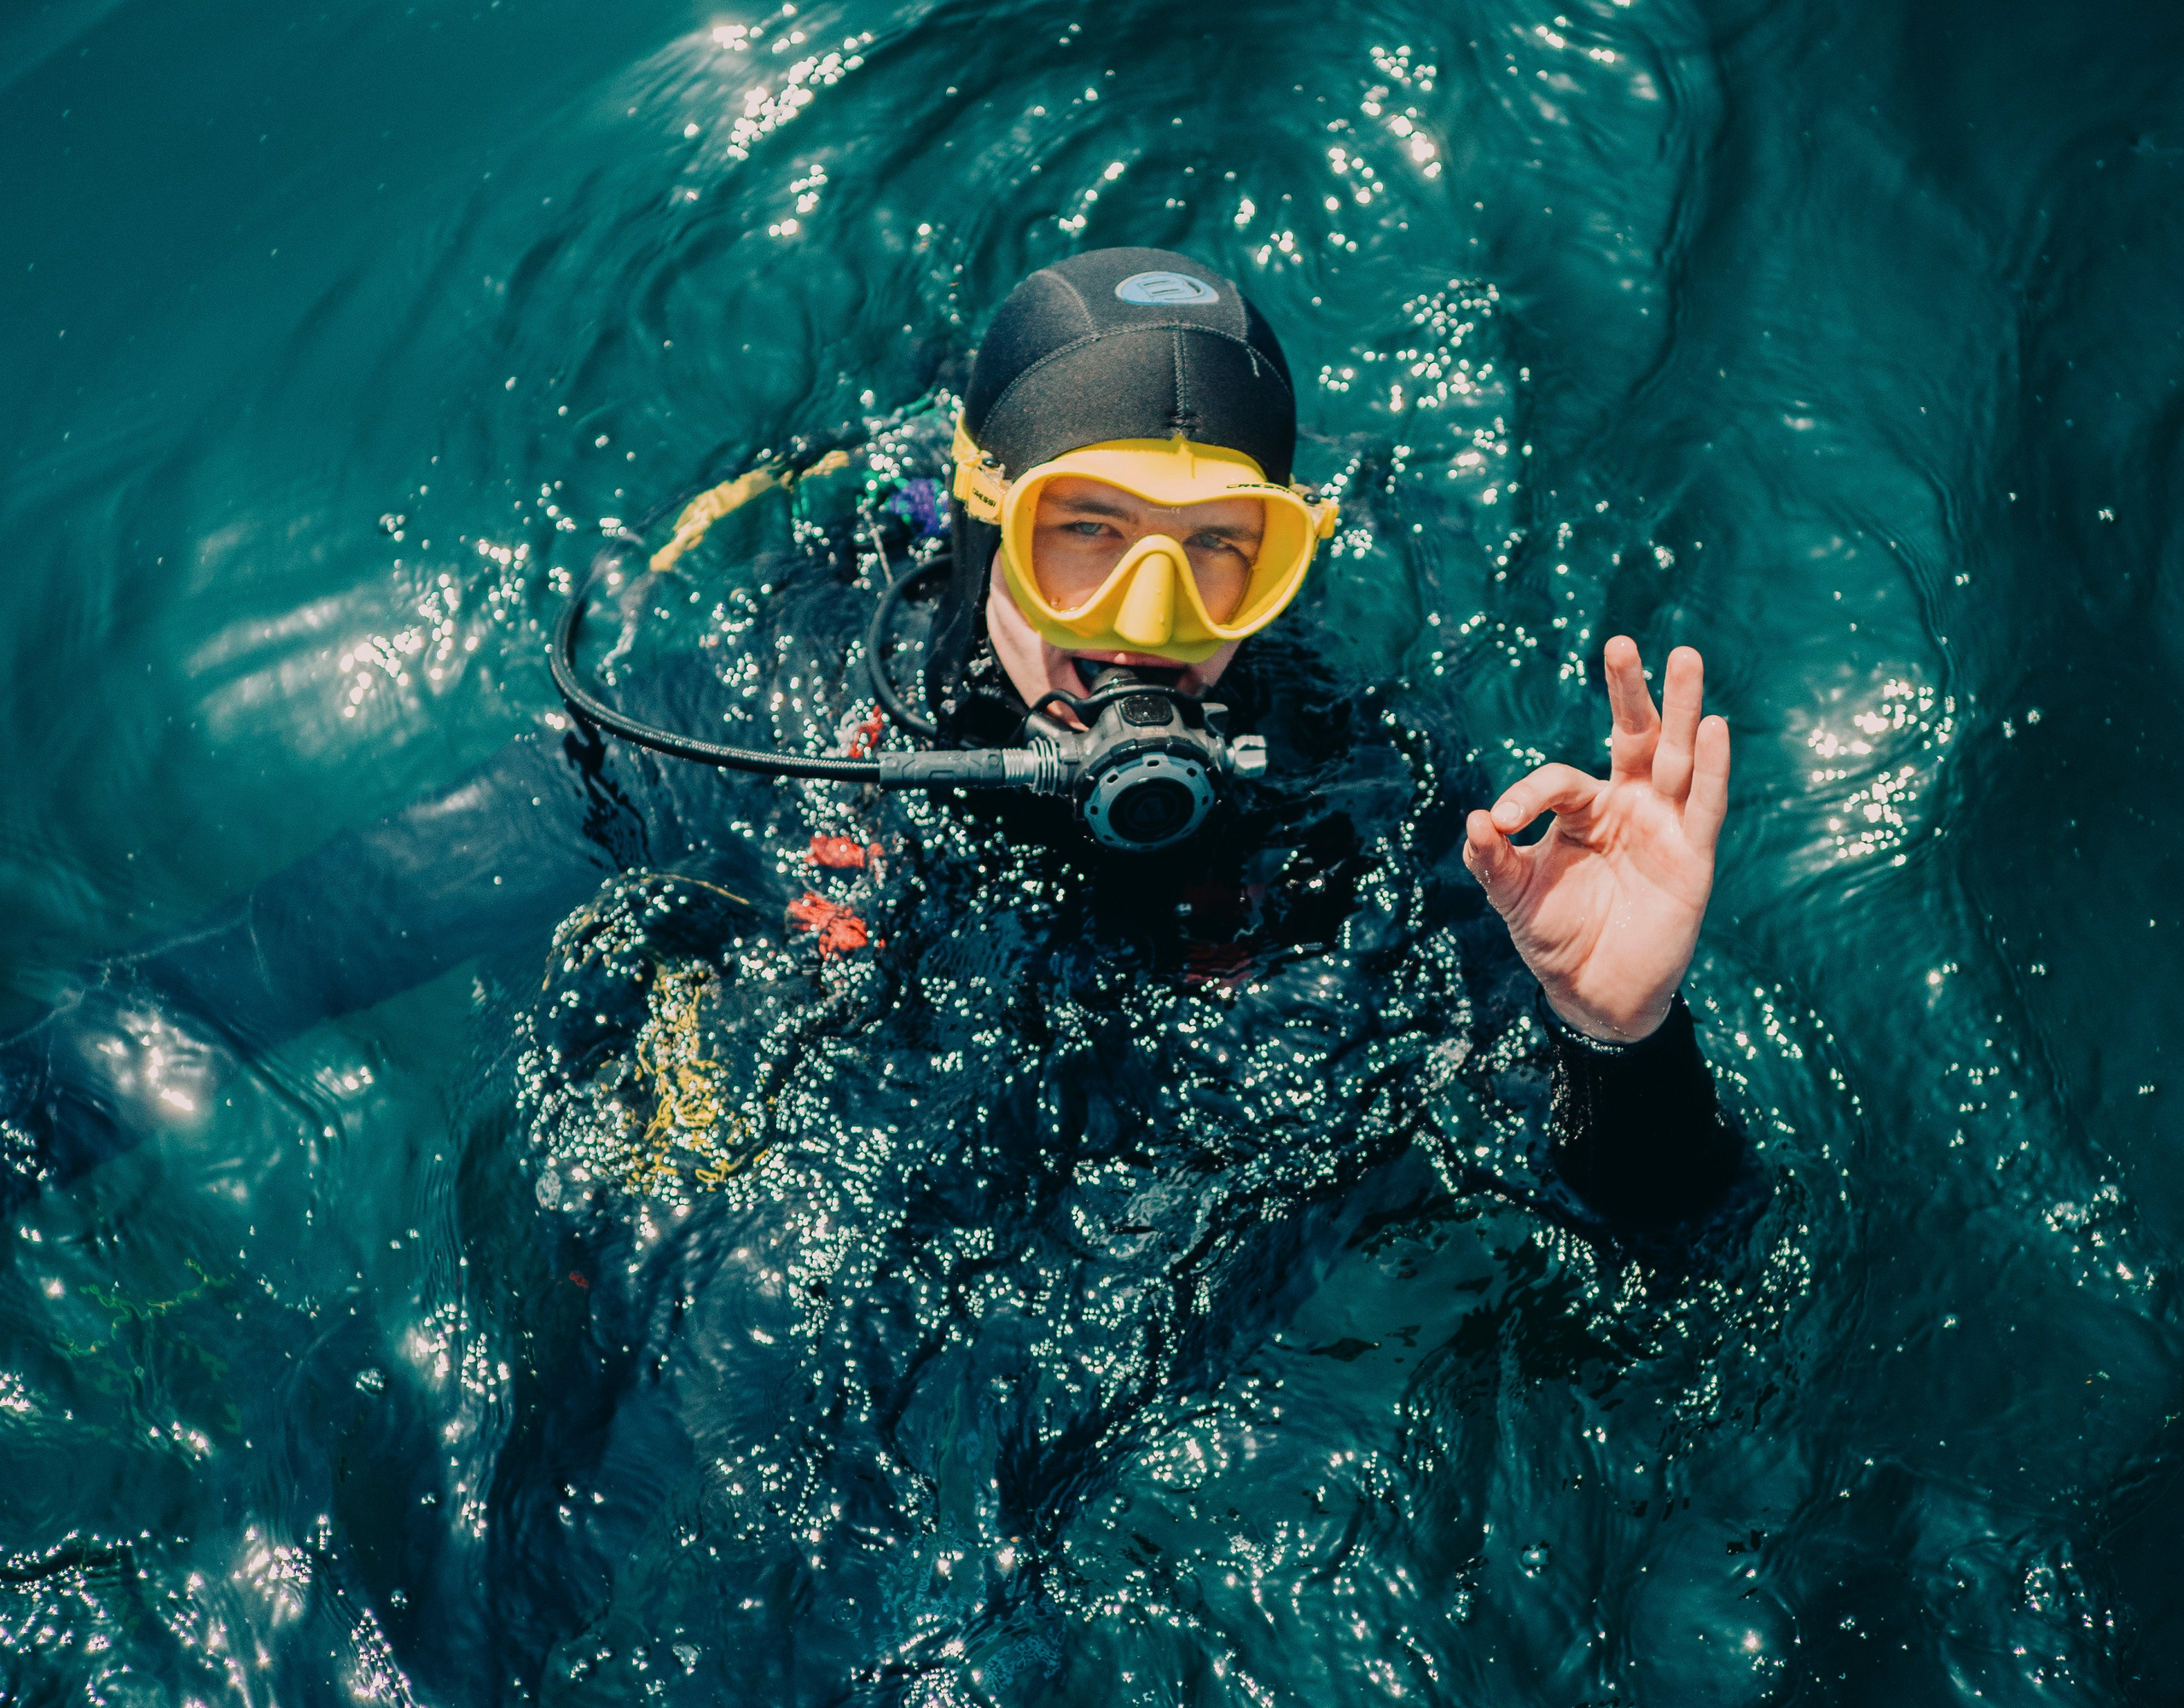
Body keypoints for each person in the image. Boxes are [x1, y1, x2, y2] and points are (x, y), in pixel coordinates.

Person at [0, 247, 1737, 1233]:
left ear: (1286, 568)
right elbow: (275, 958)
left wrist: (1624, 1035)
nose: (1147, 620)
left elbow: (1670, 1259)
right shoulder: (748, 721)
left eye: (1222, 555)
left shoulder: (1380, 810)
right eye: (1082, 536)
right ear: (981, 517)